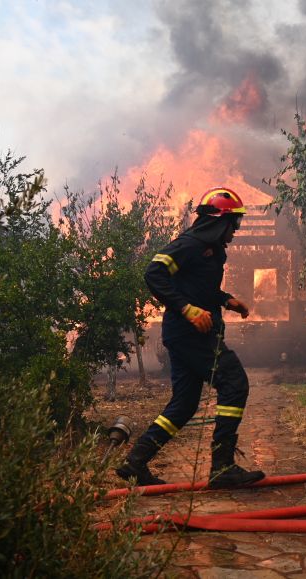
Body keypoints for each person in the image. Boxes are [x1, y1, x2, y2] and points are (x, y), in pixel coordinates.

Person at [116, 187, 266, 489]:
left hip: (185, 335)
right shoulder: (190, 244)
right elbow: (154, 272)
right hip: (191, 334)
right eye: (234, 224)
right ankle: (222, 467)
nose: (235, 232)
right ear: (220, 221)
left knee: (184, 405)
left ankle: (136, 462)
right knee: (234, 383)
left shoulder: (210, 250)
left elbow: (197, 286)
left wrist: (225, 300)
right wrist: (187, 310)